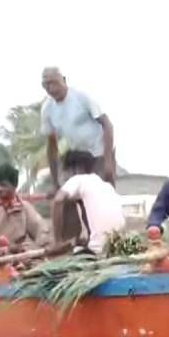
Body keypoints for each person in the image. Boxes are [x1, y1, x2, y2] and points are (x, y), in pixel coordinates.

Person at [41, 66, 116, 241]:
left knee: (98, 200)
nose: (51, 88)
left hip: (97, 155)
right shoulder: (47, 109)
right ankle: (69, 243)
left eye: (54, 83)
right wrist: (54, 181)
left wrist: (108, 162)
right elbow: (51, 146)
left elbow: (107, 125)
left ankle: (105, 240)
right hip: (74, 158)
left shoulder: (81, 98)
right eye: (46, 85)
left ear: (64, 80)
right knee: (66, 198)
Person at [52, 149, 125, 255]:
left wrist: (57, 241)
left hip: (97, 250)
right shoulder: (107, 186)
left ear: (76, 168)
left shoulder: (78, 179)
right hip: (117, 247)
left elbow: (58, 200)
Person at [0, 163, 48, 257]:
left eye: (3, 185)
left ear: (14, 186)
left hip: (16, 260)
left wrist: (35, 249)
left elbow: (42, 231)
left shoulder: (24, 208)